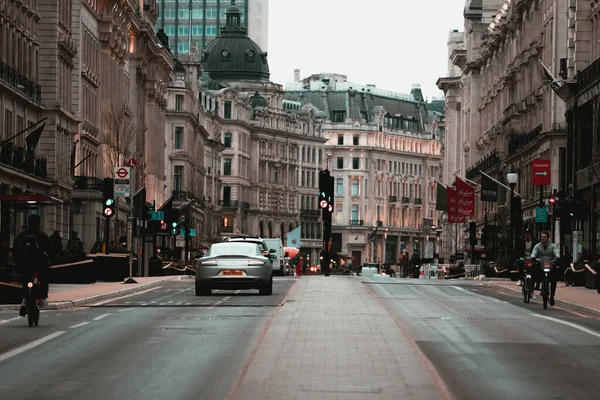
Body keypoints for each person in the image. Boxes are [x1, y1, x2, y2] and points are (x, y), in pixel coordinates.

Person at [12, 214, 54, 315]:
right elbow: (50, 252)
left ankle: (24, 301)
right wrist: (50, 260)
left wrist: (17, 261)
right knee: (44, 278)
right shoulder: (43, 236)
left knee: (25, 281)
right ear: (39, 223)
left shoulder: (21, 236)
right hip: (40, 267)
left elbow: (15, 250)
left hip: (25, 267)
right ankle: (43, 297)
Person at [530, 230, 560, 306]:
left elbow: (556, 252)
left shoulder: (553, 246)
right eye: (541, 237)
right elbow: (534, 252)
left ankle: (552, 296)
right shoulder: (537, 246)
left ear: (548, 238)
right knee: (535, 273)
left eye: (544, 237)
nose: (542, 238)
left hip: (550, 265)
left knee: (554, 279)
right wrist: (533, 257)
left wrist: (557, 257)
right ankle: (535, 287)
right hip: (541, 265)